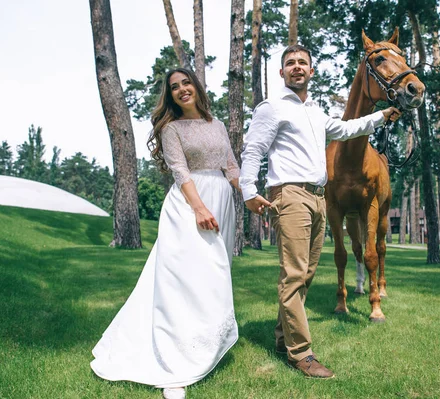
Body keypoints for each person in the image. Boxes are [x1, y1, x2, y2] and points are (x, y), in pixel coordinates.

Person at [239, 44, 401, 379]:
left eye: (303, 63)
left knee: (306, 274)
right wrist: (248, 191)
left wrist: (380, 116)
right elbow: (253, 149)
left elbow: (344, 130)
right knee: (295, 274)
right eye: (290, 63)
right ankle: (302, 353)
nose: (297, 67)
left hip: (317, 197)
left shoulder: (314, 110)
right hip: (291, 195)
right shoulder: (271, 108)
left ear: (311, 71)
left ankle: (283, 340)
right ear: (282, 72)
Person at [90, 68, 240, 399]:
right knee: (182, 278)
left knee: (212, 276)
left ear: (197, 87)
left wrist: (251, 196)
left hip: (222, 201)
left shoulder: (216, 125)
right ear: (170, 95)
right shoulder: (171, 129)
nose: (182, 89)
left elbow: (231, 167)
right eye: (174, 87)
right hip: (189, 205)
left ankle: (205, 339)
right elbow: (179, 170)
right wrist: (199, 208)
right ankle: (174, 363)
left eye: (186, 83)